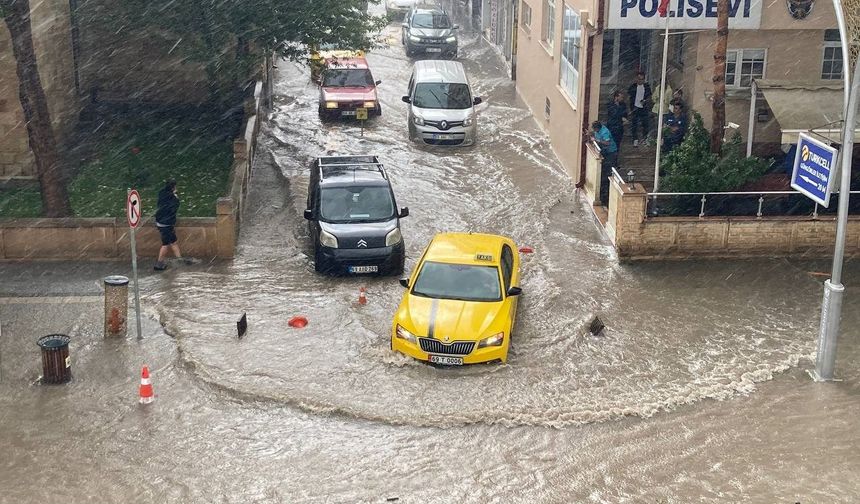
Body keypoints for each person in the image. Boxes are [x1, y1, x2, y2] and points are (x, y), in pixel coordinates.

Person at [153, 180, 187, 271]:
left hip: (161, 221)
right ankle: (159, 263)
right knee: (166, 244)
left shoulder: (162, 193)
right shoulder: (173, 199)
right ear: (173, 188)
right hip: (166, 224)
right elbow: (174, 208)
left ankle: (180, 260)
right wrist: (175, 197)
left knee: (173, 242)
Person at [591, 121, 618, 206]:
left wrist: (597, 140)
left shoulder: (605, 132)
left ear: (598, 128)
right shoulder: (597, 131)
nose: (595, 131)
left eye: (595, 130)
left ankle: (607, 187)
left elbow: (607, 142)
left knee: (608, 171)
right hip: (605, 152)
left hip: (611, 152)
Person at [627, 72, 652, 147]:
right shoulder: (633, 87)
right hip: (635, 108)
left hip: (643, 108)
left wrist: (645, 101)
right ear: (636, 79)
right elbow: (629, 97)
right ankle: (635, 140)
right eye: (639, 79)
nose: (640, 81)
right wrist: (629, 109)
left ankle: (645, 139)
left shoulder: (647, 87)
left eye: (642, 79)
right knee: (634, 124)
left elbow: (649, 97)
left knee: (645, 124)